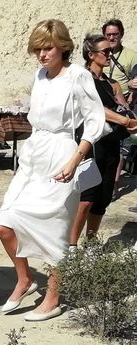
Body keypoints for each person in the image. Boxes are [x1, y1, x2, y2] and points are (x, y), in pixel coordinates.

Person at [0, 19, 105, 321]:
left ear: (63, 47)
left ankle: (53, 298)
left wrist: (75, 159)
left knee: (55, 233)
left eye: (48, 48)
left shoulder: (78, 76)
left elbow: (95, 120)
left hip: (62, 154)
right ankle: (25, 279)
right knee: (5, 223)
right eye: (37, 49)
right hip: (34, 154)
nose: (42, 55)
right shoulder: (39, 75)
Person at [69, 34, 137, 249]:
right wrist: (125, 120)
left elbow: (122, 106)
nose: (109, 55)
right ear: (91, 55)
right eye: (105, 52)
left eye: (111, 52)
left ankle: (90, 244)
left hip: (111, 144)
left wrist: (130, 118)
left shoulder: (112, 84)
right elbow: (98, 110)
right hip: (90, 144)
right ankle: (71, 247)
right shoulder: (82, 79)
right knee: (86, 198)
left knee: (103, 198)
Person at [102, 19, 137, 196]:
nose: (111, 37)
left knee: (120, 146)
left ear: (121, 34)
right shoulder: (99, 52)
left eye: (115, 34)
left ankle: (113, 186)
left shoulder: (131, 55)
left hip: (122, 104)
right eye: (108, 34)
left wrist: (133, 83)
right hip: (102, 103)